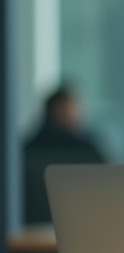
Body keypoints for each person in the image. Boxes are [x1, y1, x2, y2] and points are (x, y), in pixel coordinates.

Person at [23, 85, 106, 225]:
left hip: (27, 234)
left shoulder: (23, 151)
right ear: (59, 110)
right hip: (82, 228)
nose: (80, 115)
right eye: (76, 108)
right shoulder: (88, 151)